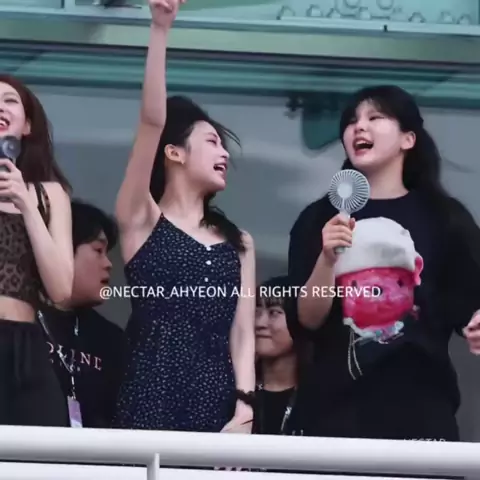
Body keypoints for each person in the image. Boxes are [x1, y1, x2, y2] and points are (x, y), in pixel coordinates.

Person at [286, 85, 480, 441]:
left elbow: (467, 306)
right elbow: (307, 320)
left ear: (408, 138)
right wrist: (327, 259)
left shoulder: (444, 219)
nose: (359, 127)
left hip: (421, 413)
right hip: (334, 415)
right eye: (351, 121)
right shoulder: (318, 218)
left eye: (375, 117)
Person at [112, 0, 256, 433]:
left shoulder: (239, 242)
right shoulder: (141, 218)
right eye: (212, 142)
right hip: (149, 395)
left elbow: (242, 333)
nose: (224, 153)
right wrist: (160, 30)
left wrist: (245, 407)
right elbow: (152, 122)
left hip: (219, 406)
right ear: (174, 153)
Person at [0, 74, 74, 426]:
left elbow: (61, 291)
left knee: (41, 449)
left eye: (9, 100)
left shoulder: (49, 194)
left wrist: (26, 204)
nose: (0, 107)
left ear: (27, 125)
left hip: (24, 348)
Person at [39, 199, 126, 428]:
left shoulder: (111, 340)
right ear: (62, 249)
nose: (108, 264)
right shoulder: (19, 327)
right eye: (98, 250)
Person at [253, 275, 308, 436]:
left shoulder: (317, 397)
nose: (260, 323)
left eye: (274, 312)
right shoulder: (236, 392)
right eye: (256, 312)